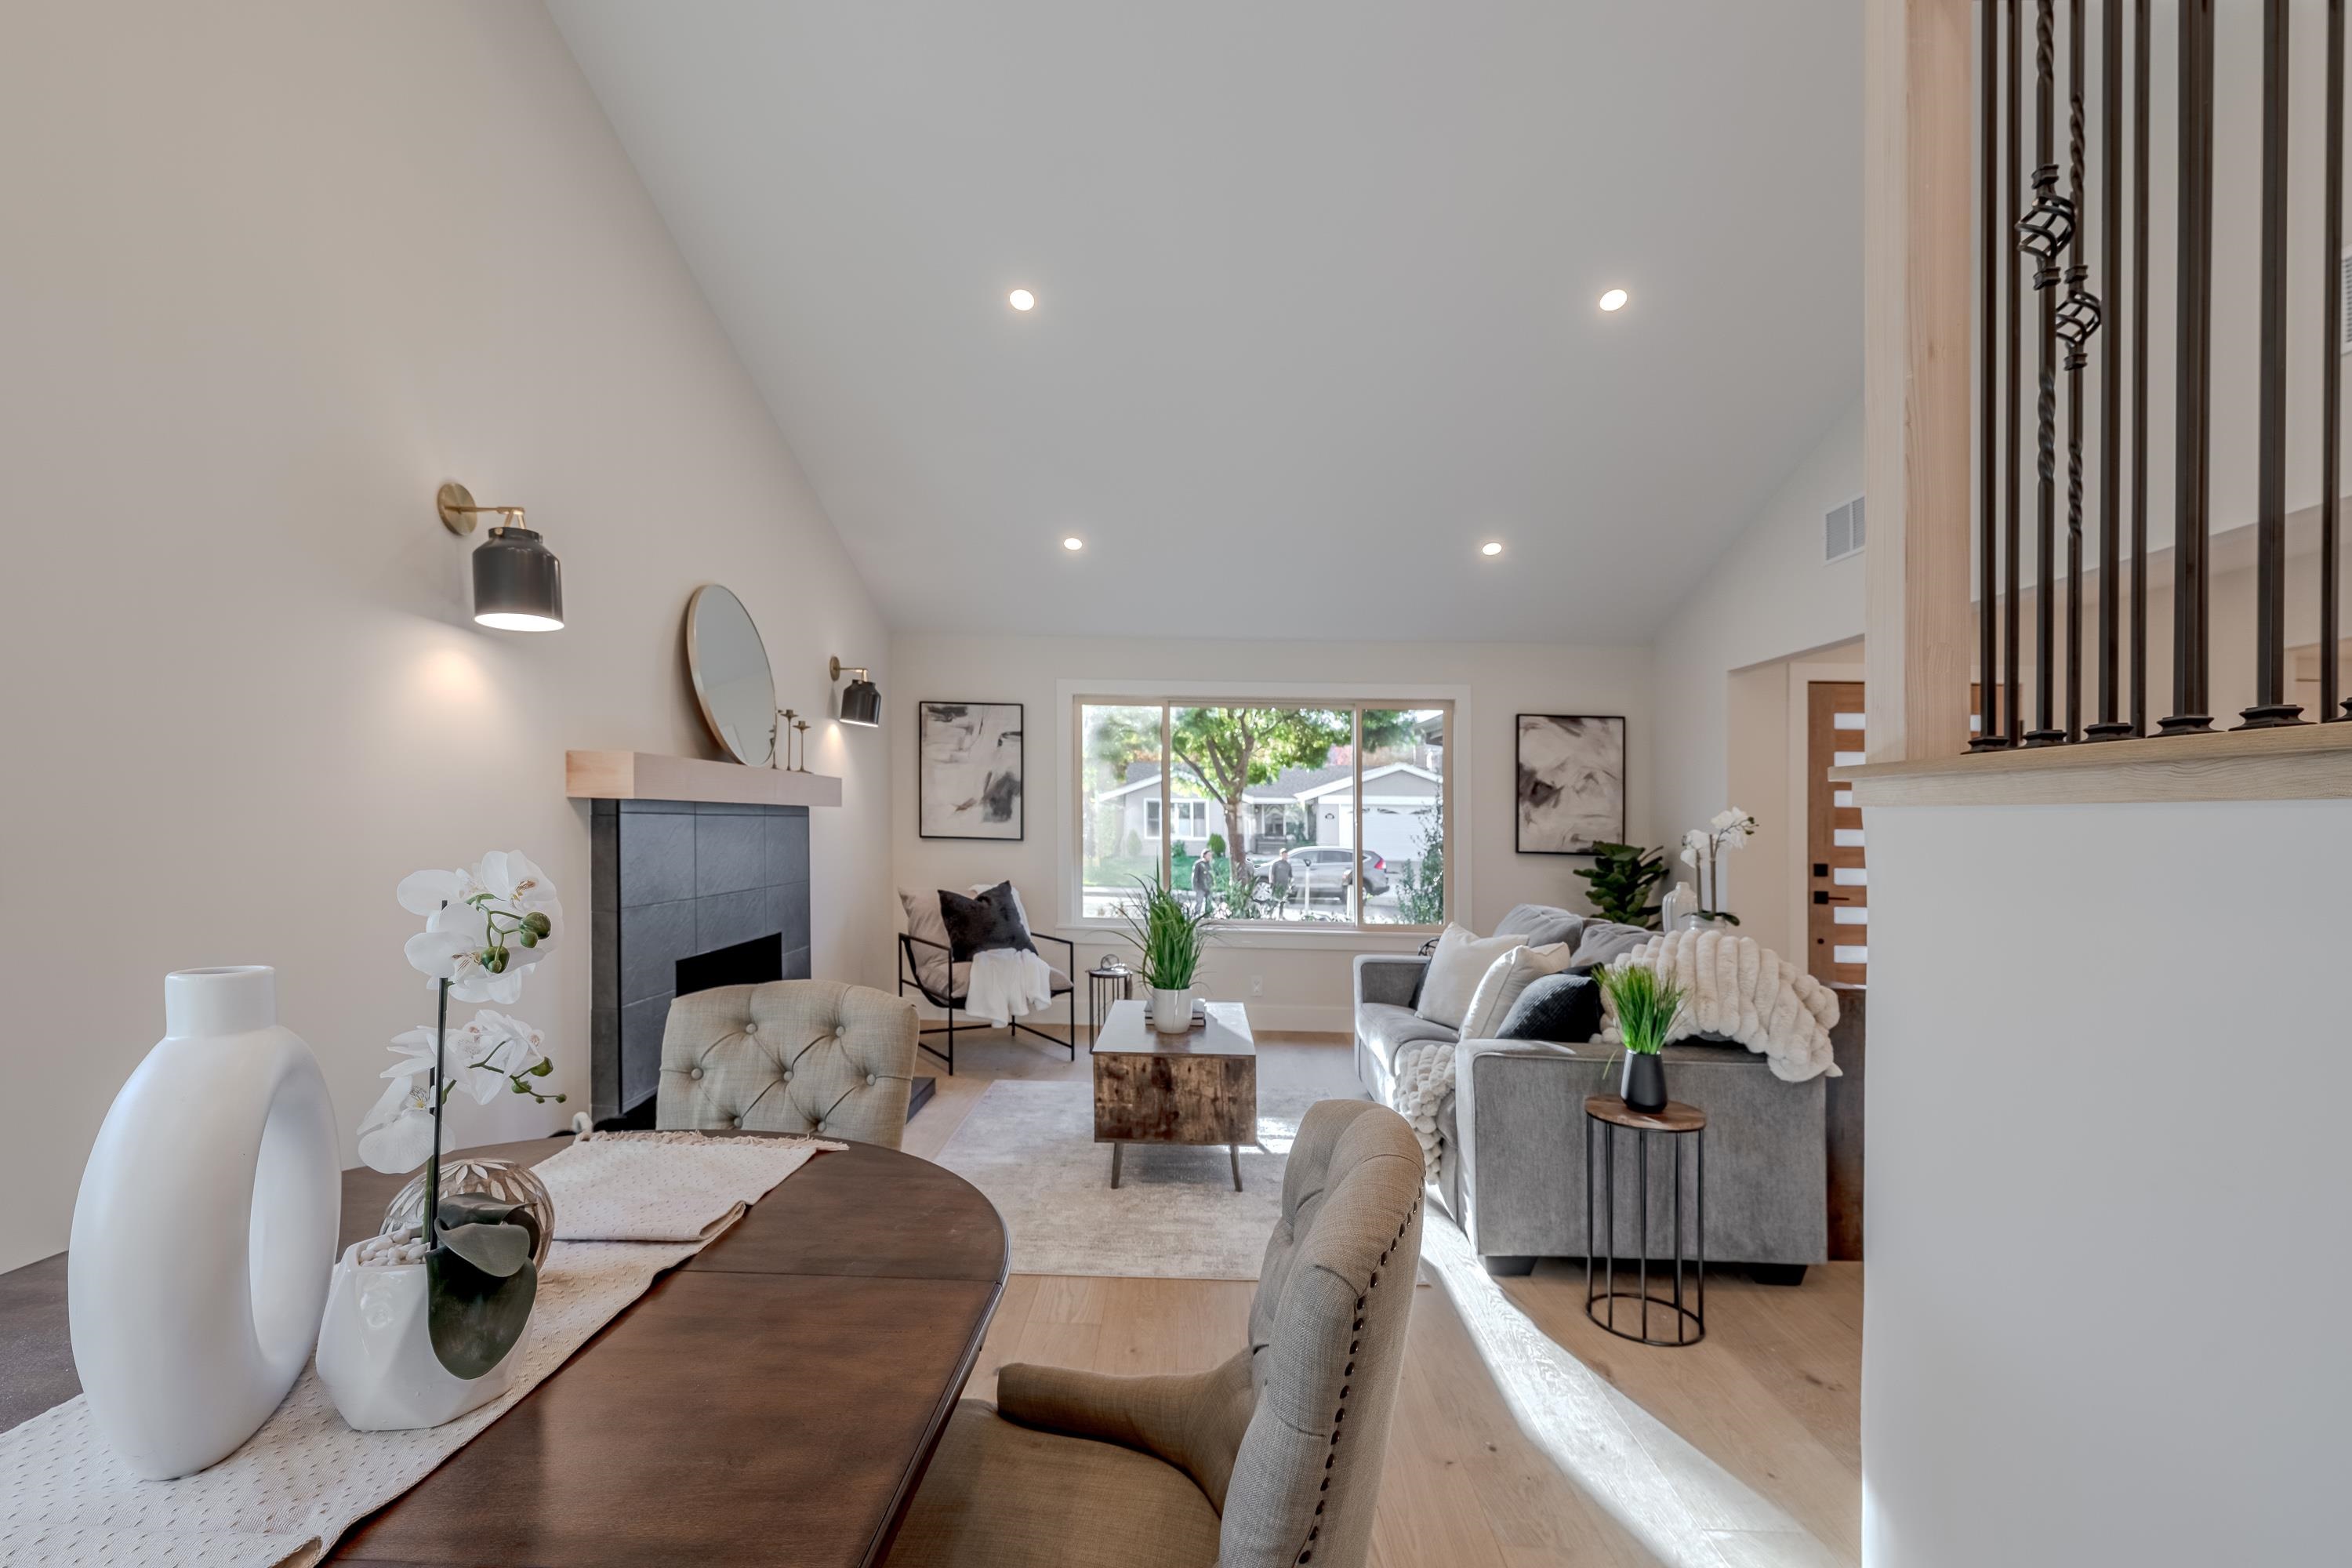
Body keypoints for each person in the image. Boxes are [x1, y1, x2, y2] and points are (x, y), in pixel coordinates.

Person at [1268, 847, 1294, 917]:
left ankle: (1281, 914)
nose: (1285, 856)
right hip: (1277, 885)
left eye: (1286, 854)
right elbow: (1272, 874)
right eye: (1284, 854)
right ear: (1281, 855)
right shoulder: (1276, 864)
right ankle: (1270, 914)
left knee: (1283, 901)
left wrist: (1290, 885)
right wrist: (1271, 882)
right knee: (1274, 901)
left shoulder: (1288, 865)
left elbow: (1291, 876)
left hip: (1284, 886)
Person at [1189, 844, 1214, 910]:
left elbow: (1211, 875)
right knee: (1199, 903)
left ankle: (1207, 916)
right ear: (1204, 855)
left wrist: (1212, 884)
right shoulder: (1198, 864)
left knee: (1208, 903)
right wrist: (1195, 887)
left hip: (1208, 887)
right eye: (1209, 855)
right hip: (1200, 887)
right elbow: (1194, 876)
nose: (1210, 857)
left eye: (1211, 855)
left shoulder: (1209, 865)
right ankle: (1196, 916)